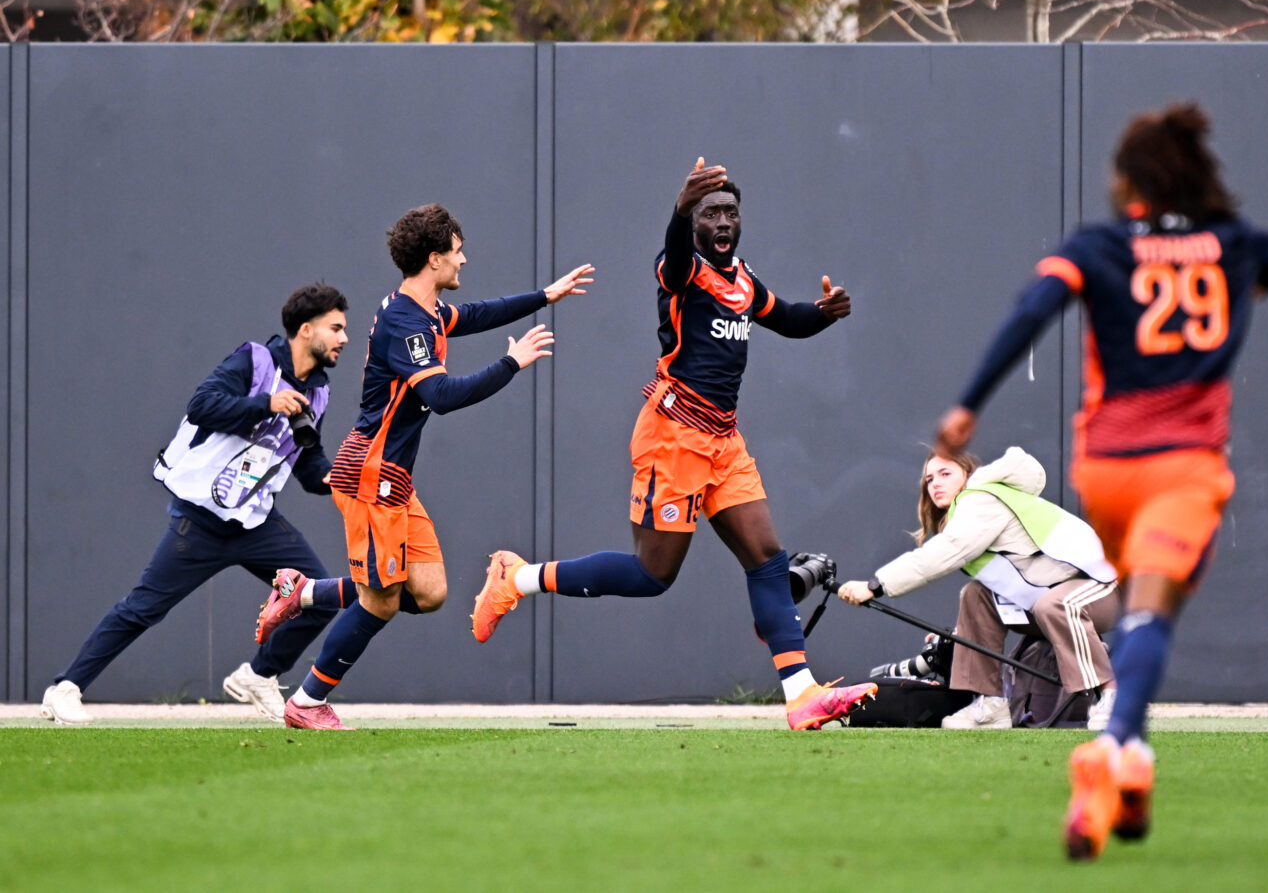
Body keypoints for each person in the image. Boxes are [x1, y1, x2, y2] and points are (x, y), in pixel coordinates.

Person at [934, 103, 1268, 860]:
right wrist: (1255, 270)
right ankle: (1121, 745)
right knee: (1155, 603)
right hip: (1184, 464)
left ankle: (1129, 755)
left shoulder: (1098, 246)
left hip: (1108, 469)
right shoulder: (1235, 244)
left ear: (1129, 182)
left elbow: (1032, 308)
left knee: (1133, 607)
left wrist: (969, 402)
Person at [471, 158, 877, 730]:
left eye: (731, 213)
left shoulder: (743, 278)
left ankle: (801, 692)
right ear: (694, 223)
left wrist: (824, 315)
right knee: (652, 576)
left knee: (766, 558)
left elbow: (785, 318)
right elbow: (676, 252)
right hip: (673, 438)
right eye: (711, 213)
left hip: (723, 441)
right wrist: (678, 209)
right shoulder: (680, 268)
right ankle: (515, 579)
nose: (723, 222)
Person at [257, 203, 594, 730]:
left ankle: (301, 592)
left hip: (393, 477)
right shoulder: (405, 320)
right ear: (435, 259)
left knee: (429, 592)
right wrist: (512, 363)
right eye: (458, 252)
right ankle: (305, 701)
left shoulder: (426, 308)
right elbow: (439, 394)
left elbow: (477, 314)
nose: (465, 260)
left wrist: (544, 296)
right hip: (370, 472)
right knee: (382, 601)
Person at [40, 283, 352, 725]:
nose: (344, 338)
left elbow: (307, 463)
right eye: (336, 328)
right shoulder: (253, 360)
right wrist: (266, 403)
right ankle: (64, 688)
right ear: (306, 329)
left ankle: (259, 675)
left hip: (257, 524)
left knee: (319, 595)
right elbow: (202, 406)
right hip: (199, 522)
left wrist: (341, 479)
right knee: (143, 608)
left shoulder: (319, 390)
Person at [837, 446, 1119, 730]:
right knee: (975, 594)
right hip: (1045, 604)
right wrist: (964, 629)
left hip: (1103, 588)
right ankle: (991, 704)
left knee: (1055, 604)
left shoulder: (980, 499)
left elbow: (944, 553)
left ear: (969, 476)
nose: (935, 483)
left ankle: (1115, 695)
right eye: (929, 479)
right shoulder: (964, 516)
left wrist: (876, 585)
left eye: (945, 473)